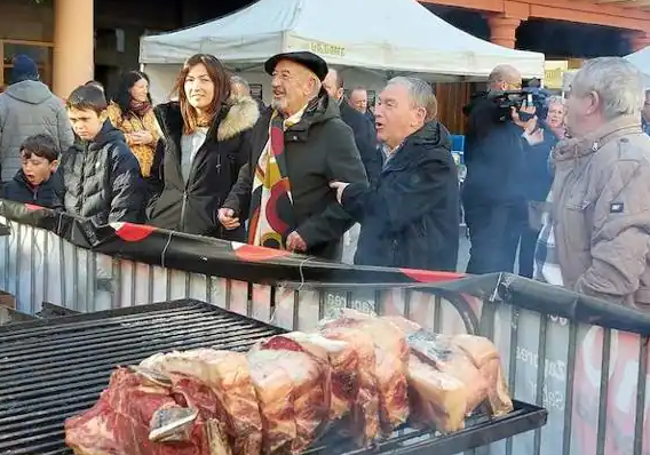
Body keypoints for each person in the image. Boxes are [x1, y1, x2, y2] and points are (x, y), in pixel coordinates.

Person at [219, 51, 367, 259]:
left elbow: (355, 198)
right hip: (258, 253)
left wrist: (310, 233)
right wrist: (233, 204)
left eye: (285, 76)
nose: (275, 83)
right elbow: (252, 170)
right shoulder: (266, 123)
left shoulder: (334, 132)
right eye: (275, 76)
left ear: (309, 85)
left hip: (308, 265)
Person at [537, 57, 650, 309]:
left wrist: (571, 316)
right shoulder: (594, 154)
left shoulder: (627, 162)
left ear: (590, 102)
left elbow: (613, 275)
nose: (565, 104)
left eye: (570, 94)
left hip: (595, 335)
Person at [330, 77, 459, 271]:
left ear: (418, 115)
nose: (377, 111)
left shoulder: (435, 162)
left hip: (412, 289)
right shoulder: (385, 152)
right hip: (380, 280)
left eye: (389, 104)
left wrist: (349, 193)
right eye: (378, 103)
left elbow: (387, 211)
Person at [148, 54, 260, 239]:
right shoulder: (170, 127)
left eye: (204, 80)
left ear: (219, 85)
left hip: (215, 238)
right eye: (190, 80)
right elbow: (155, 177)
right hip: (166, 235)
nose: (196, 87)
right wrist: (155, 209)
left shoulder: (237, 130)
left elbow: (246, 178)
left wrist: (233, 206)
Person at [462, 64, 531, 274]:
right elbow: (500, 152)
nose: (520, 92)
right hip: (490, 200)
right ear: (502, 85)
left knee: (501, 257)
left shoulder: (496, 112)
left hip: (502, 197)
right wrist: (525, 135)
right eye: (517, 86)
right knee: (487, 257)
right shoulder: (486, 110)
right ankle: (472, 299)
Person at [60, 85, 144, 224]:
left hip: (104, 240)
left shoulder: (118, 154)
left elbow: (124, 205)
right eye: (73, 120)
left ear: (103, 115)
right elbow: (56, 196)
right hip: (70, 239)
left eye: (85, 119)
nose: (78, 126)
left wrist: (108, 239)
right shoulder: (70, 155)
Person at [0, 54, 73, 182]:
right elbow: (67, 143)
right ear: (37, 76)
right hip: (48, 175)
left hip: (11, 176)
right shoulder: (55, 103)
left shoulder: (3, 102)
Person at [518, 96, 565, 278]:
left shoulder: (565, 136)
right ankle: (526, 280)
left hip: (554, 198)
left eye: (560, 112)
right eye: (552, 111)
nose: (555, 115)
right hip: (535, 197)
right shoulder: (538, 132)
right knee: (531, 241)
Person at [323, 69, 382, 184]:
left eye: (325, 87)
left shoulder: (358, 123)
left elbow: (368, 164)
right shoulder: (310, 116)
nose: (319, 92)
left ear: (339, 93)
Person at [106, 71, 161, 177]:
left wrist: (151, 139)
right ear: (129, 89)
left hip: (153, 174)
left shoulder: (151, 112)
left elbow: (164, 140)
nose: (145, 91)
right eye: (141, 87)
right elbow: (107, 138)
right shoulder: (114, 111)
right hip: (125, 173)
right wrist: (131, 138)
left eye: (147, 87)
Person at [2, 134, 61, 208]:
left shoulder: (61, 192)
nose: (28, 168)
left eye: (35, 163)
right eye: (24, 162)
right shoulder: (8, 190)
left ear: (53, 165)